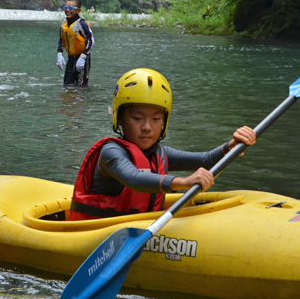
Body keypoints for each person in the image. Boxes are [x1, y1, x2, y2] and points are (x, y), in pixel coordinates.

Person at [68, 68, 256, 221]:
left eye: (156, 119)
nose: (147, 127)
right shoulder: (110, 152)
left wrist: (231, 145)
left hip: (139, 226)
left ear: (164, 122)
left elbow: (205, 160)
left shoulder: (160, 153)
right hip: (95, 231)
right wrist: (183, 182)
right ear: (120, 119)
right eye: (137, 118)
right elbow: (133, 178)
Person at [56, 0, 93, 87]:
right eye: (66, 7)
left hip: (82, 58)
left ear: (78, 10)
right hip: (70, 58)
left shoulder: (82, 24)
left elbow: (91, 41)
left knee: (81, 87)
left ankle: (81, 100)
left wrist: (83, 57)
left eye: (71, 7)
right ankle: (68, 100)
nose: (67, 10)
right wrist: (59, 54)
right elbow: (61, 41)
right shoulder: (63, 24)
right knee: (67, 85)